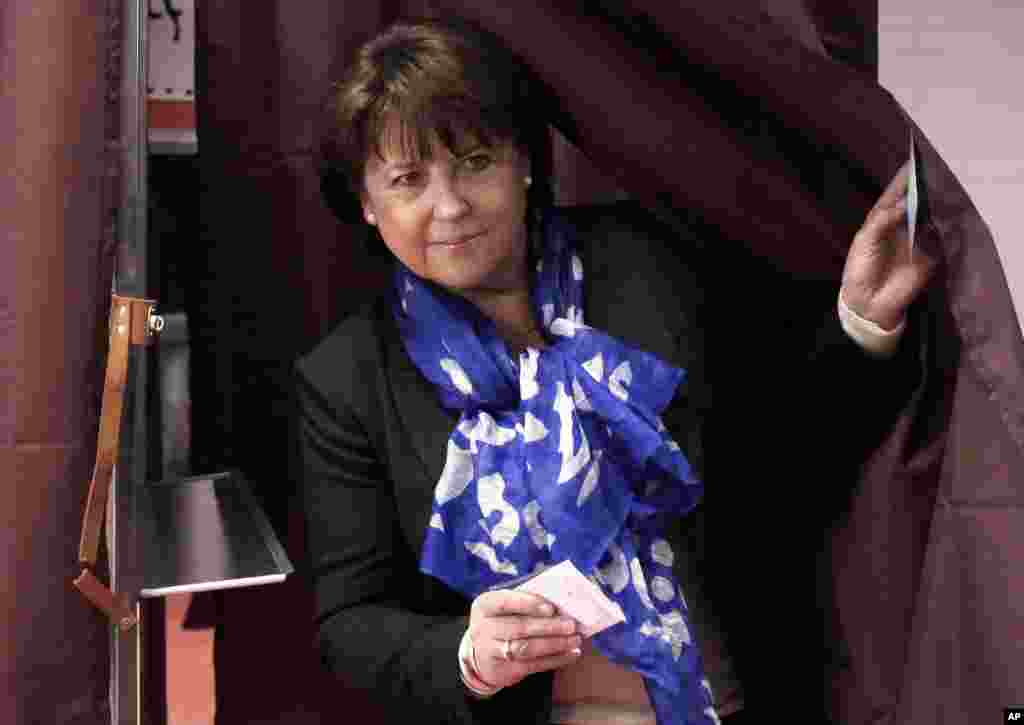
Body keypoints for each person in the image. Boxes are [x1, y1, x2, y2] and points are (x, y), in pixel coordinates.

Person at [298, 16, 934, 725]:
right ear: (365, 202)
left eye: (476, 160)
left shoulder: (646, 266)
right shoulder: (348, 378)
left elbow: (777, 454)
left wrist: (862, 322)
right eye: (408, 180)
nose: (449, 206)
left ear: (525, 161)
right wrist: (466, 652)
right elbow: (349, 623)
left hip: (729, 704)